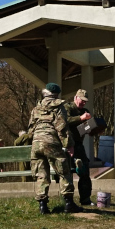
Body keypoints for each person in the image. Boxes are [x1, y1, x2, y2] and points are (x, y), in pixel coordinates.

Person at [27, 83, 82, 214]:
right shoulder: (59, 107)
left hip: (36, 144)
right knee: (63, 171)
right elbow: (62, 127)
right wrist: (69, 145)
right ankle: (69, 203)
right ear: (57, 94)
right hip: (51, 142)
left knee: (41, 175)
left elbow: (30, 129)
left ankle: (43, 206)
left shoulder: (36, 108)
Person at [63, 89, 94, 205]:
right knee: (67, 173)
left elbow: (85, 130)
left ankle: (85, 199)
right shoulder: (67, 107)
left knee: (85, 172)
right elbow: (64, 121)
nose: (83, 103)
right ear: (76, 98)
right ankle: (68, 200)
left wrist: (92, 127)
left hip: (79, 145)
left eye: (85, 102)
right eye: (82, 100)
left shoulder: (85, 111)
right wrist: (81, 118)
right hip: (67, 144)